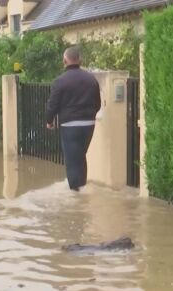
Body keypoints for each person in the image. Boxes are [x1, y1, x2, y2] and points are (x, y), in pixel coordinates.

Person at [45, 46, 101, 191]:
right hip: (89, 125)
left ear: (64, 60)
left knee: (72, 162)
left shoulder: (60, 81)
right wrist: (89, 117)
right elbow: (98, 104)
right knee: (81, 158)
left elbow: (53, 104)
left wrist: (49, 121)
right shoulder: (91, 79)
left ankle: (76, 198)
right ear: (79, 60)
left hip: (70, 126)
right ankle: (82, 189)